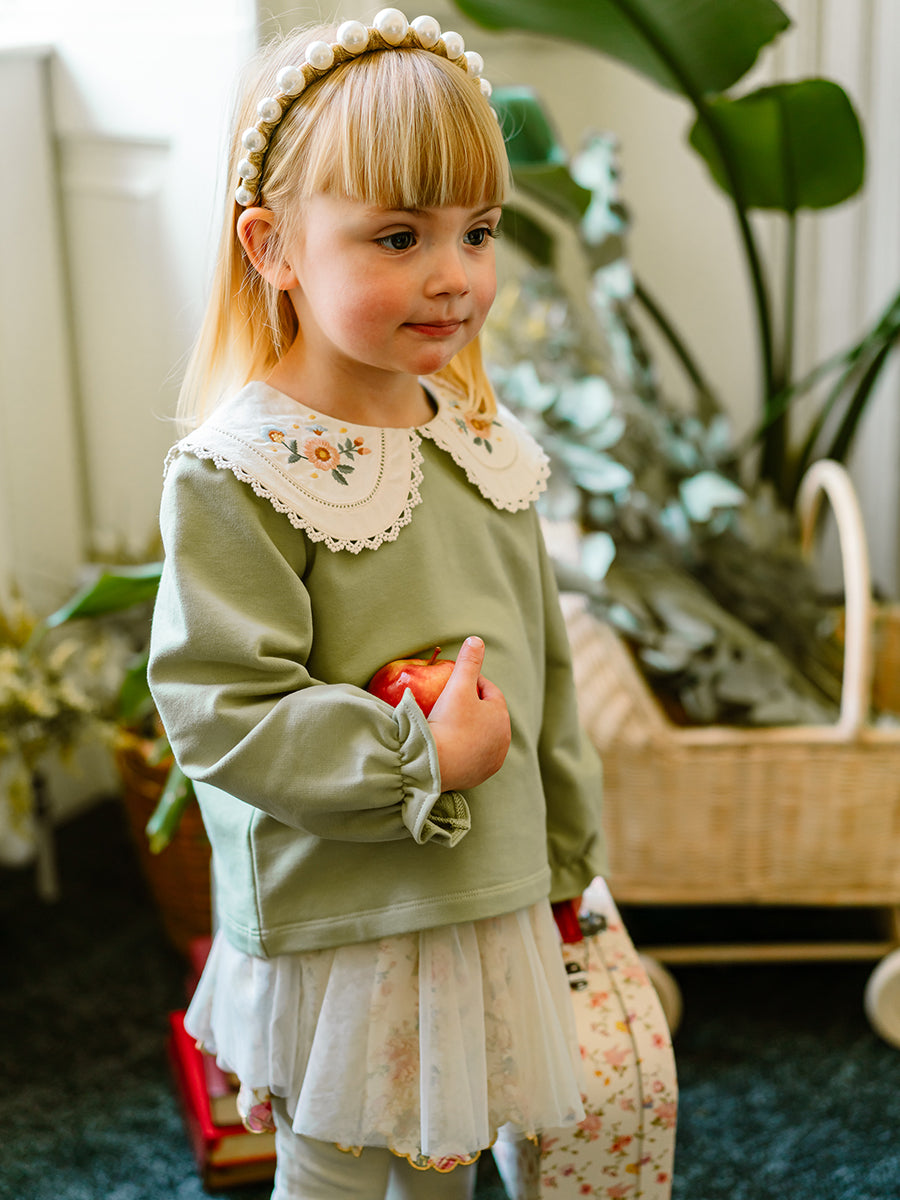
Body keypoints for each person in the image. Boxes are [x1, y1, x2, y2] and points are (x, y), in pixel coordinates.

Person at [148, 10, 606, 1198]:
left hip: (483, 895)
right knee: (337, 1164)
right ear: (275, 248)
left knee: (447, 1154)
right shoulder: (241, 470)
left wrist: (566, 860)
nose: (455, 275)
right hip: (344, 914)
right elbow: (221, 704)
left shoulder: (483, 444)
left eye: (478, 231)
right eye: (400, 236)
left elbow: (543, 675)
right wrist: (416, 755)